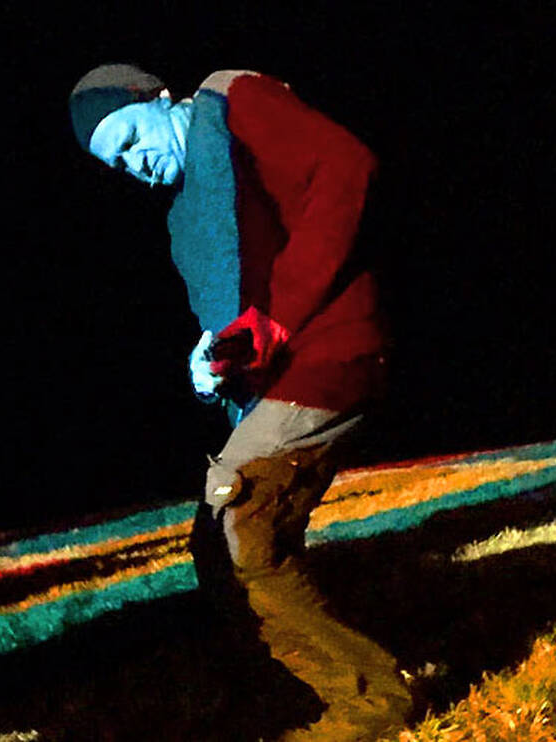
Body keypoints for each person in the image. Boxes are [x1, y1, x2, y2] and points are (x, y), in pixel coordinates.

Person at [69, 63, 414, 741]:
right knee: (215, 546)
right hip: (276, 375)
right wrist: (210, 365)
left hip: (328, 350)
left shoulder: (234, 101)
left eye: (132, 139)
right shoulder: (186, 219)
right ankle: (287, 693)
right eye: (118, 164)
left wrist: (278, 316)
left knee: (244, 519)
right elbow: (235, 321)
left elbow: (346, 166)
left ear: (160, 98)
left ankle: (372, 703)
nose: (135, 165)